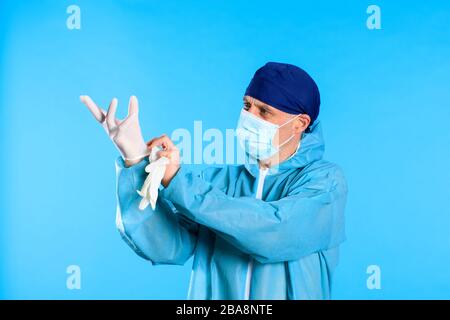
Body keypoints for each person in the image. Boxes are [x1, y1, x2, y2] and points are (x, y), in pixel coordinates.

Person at [80, 62, 348, 300]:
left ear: (300, 123)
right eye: (247, 105)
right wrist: (135, 160)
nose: (249, 117)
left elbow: (273, 231)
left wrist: (178, 181)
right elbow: (167, 247)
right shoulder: (218, 182)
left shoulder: (326, 183)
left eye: (264, 112)